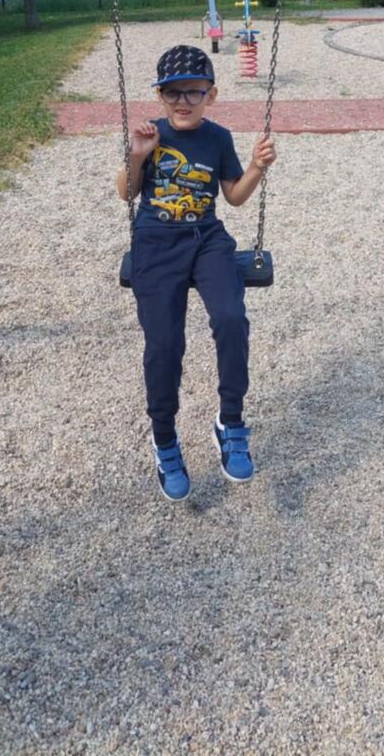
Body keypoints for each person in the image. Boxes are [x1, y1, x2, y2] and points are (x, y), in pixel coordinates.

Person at [116, 44, 276, 503]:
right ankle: (164, 439)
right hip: (155, 240)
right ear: (160, 96)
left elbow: (235, 197)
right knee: (164, 343)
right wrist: (138, 156)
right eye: (172, 93)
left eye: (193, 92)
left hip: (206, 238)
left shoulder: (218, 138)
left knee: (231, 318)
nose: (182, 101)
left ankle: (230, 422)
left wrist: (256, 167)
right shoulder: (151, 134)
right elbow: (126, 193)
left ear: (212, 95)